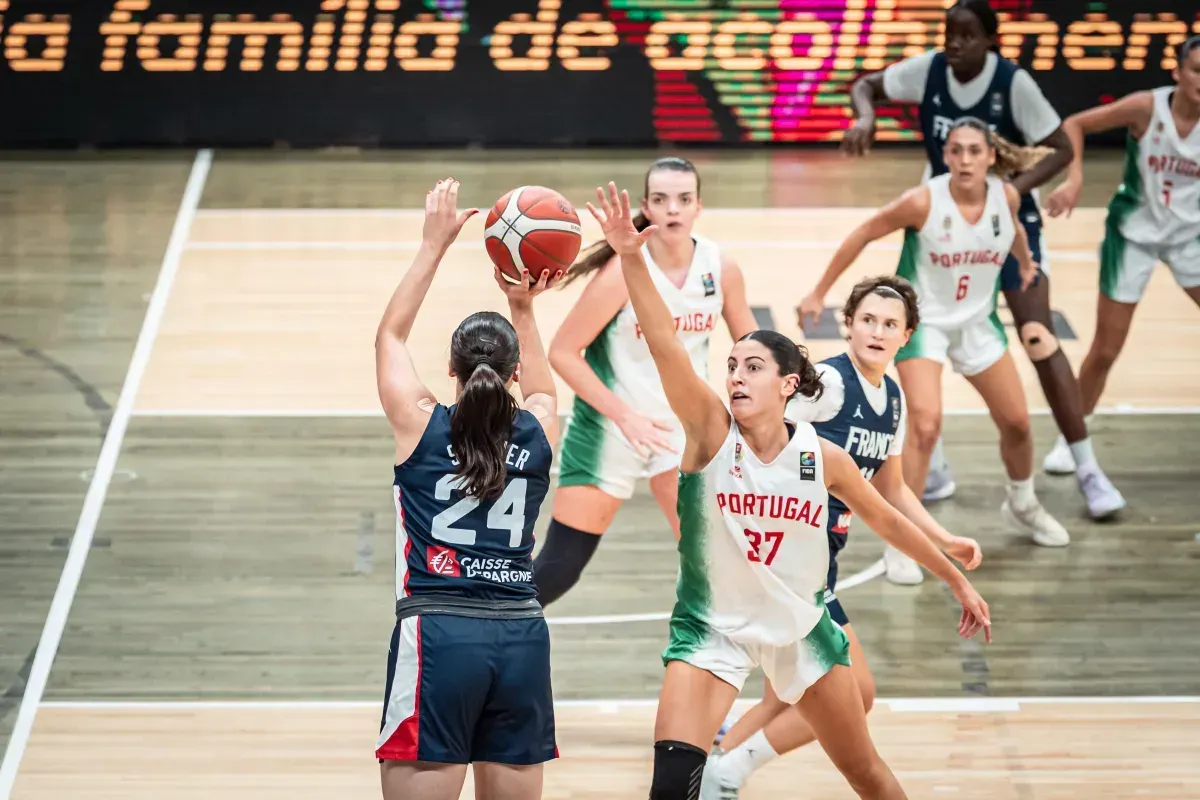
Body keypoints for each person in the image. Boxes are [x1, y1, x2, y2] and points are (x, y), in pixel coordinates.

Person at [585, 181, 992, 800]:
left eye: (754, 367)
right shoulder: (708, 433)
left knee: (868, 773)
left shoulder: (822, 455)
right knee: (671, 787)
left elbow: (889, 518)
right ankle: (723, 770)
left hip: (801, 622)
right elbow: (667, 344)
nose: (737, 375)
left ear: (787, 386)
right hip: (712, 627)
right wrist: (631, 257)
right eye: (732, 365)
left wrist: (955, 577)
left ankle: (735, 766)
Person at [840, 0, 1124, 580]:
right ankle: (919, 498)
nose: (956, 44)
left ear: (991, 40)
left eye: (968, 36)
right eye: (950, 34)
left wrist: (1013, 205)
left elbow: (1061, 150)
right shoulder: (927, 83)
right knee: (923, 405)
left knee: (1033, 360)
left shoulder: (1013, 90)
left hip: (993, 245)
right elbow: (865, 85)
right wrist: (864, 115)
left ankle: (1059, 480)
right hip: (940, 263)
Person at [700, 276, 984, 799]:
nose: (877, 331)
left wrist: (943, 539)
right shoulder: (826, 384)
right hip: (785, 561)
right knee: (855, 693)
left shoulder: (893, 400)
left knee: (787, 696)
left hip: (818, 565)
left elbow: (891, 489)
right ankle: (725, 771)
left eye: (890, 324)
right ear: (848, 324)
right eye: (868, 320)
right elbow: (758, 434)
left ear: (908, 335)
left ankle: (716, 773)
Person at [374, 179, 562, 800]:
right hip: (521, 637)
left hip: (439, 636)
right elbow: (542, 389)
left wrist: (434, 247)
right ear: (512, 374)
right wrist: (524, 307)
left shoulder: (420, 424)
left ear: (451, 371)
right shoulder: (537, 431)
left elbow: (390, 338)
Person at [801, 118, 1071, 549]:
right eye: (956, 150)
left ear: (991, 157)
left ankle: (1022, 504)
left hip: (978, 321)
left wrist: (1023, 262)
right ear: (945, 156)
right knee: (924, 426)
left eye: (974, 151)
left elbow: (1013, 228)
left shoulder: (1007, 195)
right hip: (925, 324)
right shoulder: (922, 202)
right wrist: (818, 292)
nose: (965, 159)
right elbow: (865, 232)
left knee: (1018, 424)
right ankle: (904, 540)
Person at [533, 157, 757, 606]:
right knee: (558, 571)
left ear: (699, 206)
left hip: (682, 431)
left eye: (683, 199)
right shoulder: (621, 272)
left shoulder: (720, 267)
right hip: (610, 430)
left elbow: (752, 348)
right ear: (646, 208)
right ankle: (481, 624)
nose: (673, 209)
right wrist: (626, 417)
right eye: (661, 199)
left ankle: (715, 663)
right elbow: (562, 351)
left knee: (713, 562)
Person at [1038, 34, 1200, 473]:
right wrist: (1073, 178)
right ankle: (1071, 440)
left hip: (1191, 238)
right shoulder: (1147, 107)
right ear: (1178, 73)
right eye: (1197, 71)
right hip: (1134, 235)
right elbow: (1074, 123)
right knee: (1107, 349)